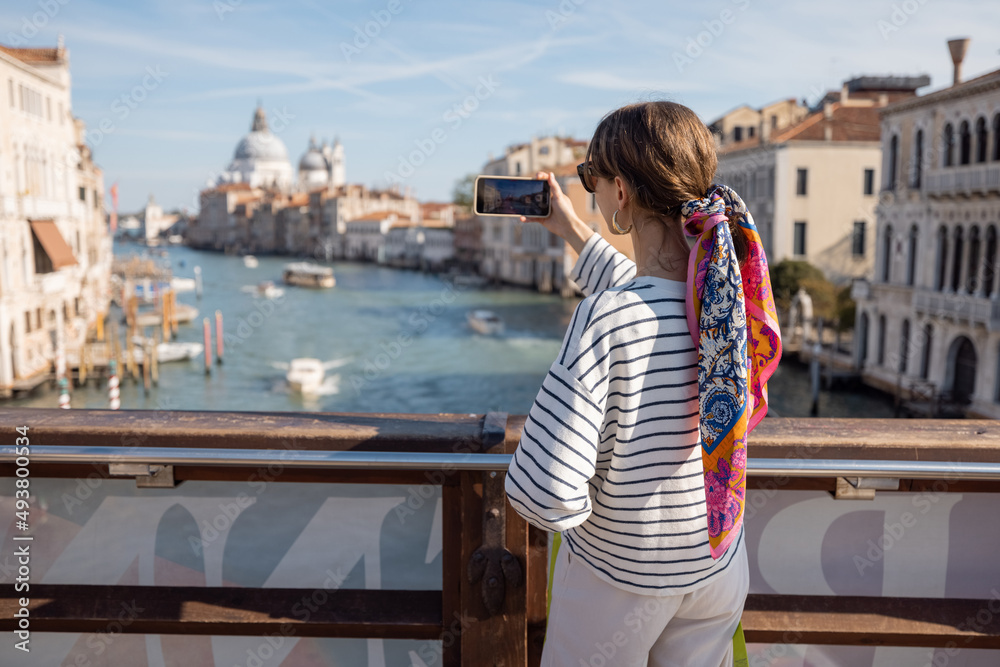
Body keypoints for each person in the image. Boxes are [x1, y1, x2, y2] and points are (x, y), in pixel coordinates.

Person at [503, 101, 782, 667]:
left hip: (620, 582)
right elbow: (651, 292)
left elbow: (545, 493)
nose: (589, 192)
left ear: (621, 193)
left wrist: (596, 534)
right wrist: (569, 227)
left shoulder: (605, 319)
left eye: (591, 179)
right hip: (715, 565)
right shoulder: (722, 301)